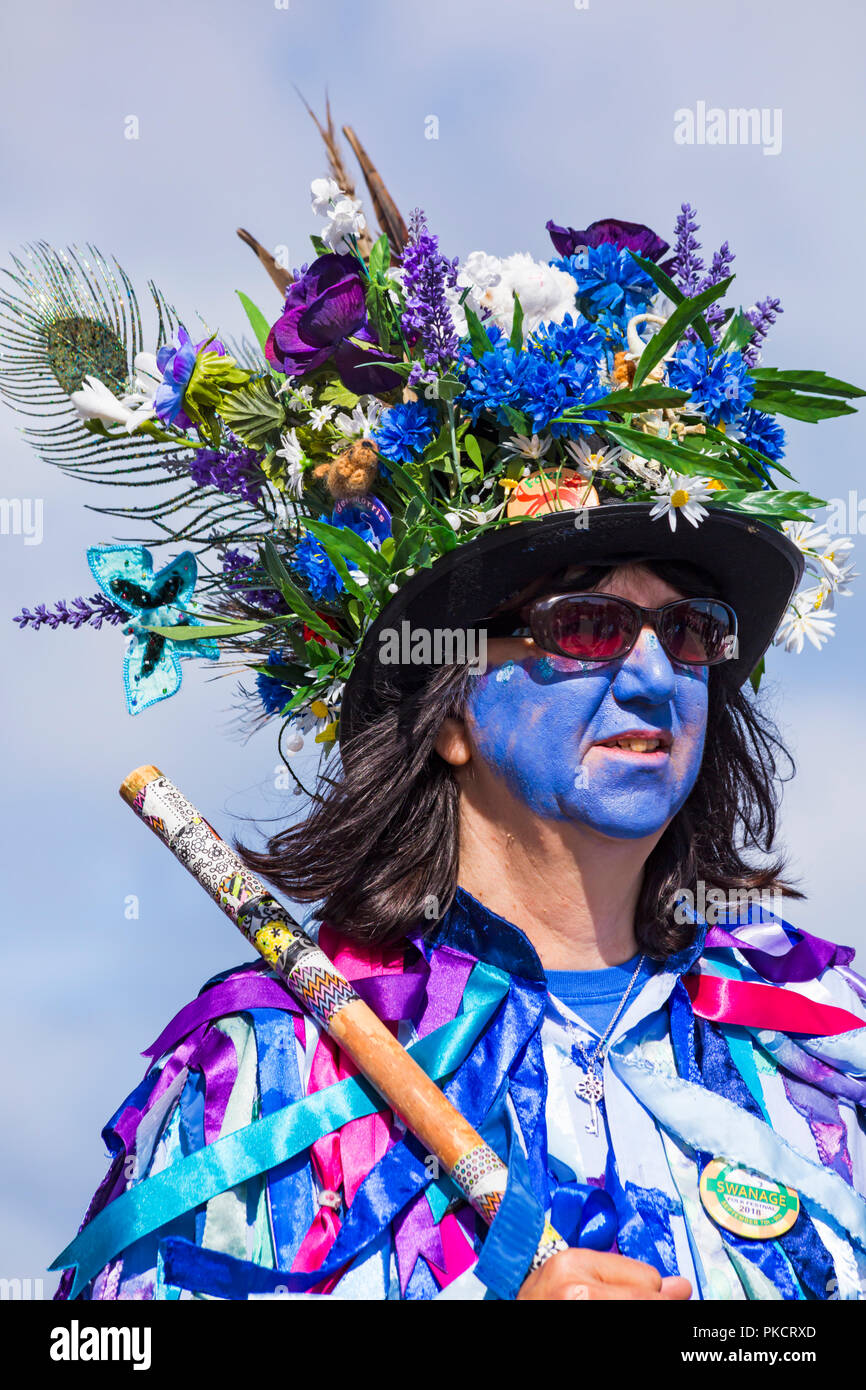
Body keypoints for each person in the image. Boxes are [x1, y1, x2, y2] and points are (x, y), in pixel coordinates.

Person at [51, 505, 866, 1302]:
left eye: (690, 631)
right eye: (585, 625)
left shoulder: (828, 1039)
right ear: (449, 714)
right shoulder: (265, 1075)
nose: (657, 678)